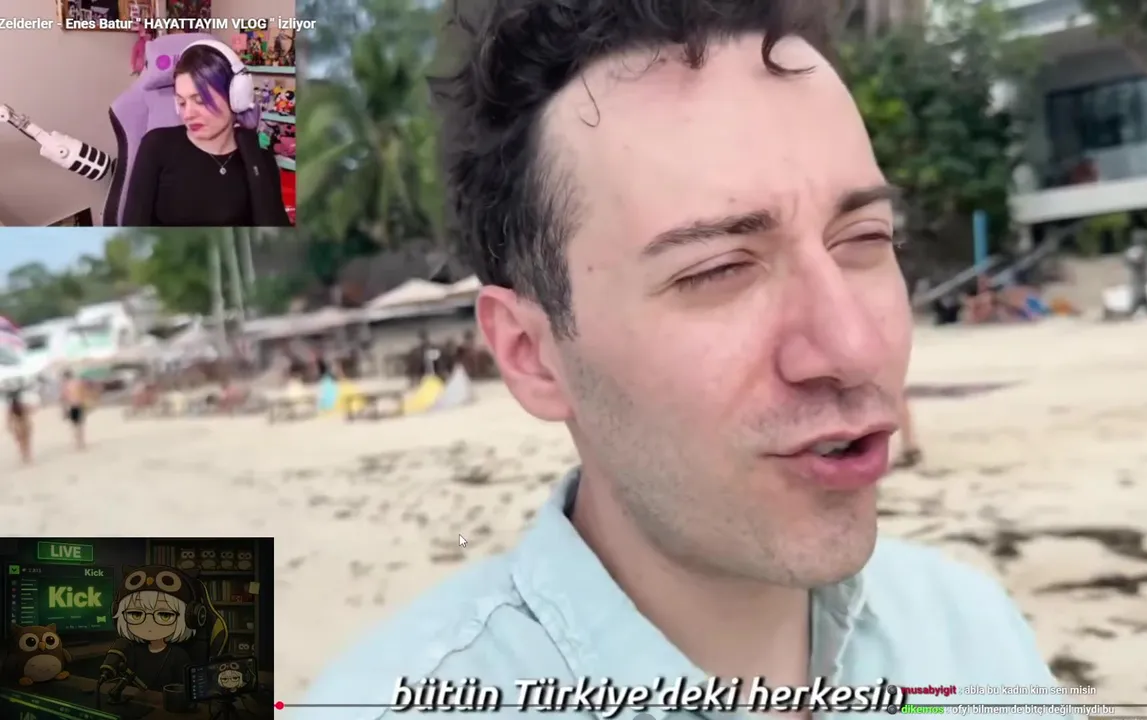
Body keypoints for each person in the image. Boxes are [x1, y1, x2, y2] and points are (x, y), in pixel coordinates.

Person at [304, 0, 1072, 715]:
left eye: (866, 239)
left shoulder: (973, 641)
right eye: (718, 270)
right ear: (532, 355)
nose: (854, 346)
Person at [121, 40, 291, 227]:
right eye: (182, 102)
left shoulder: (259, 160)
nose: (188, 114)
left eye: (200, 101)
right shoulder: (156, 146)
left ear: (236, 97)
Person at [59, 370, 86, 451]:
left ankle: (78, 443)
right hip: (79, 404)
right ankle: (81, 442)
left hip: (72, 406)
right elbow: (83, 394)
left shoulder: (65, 385)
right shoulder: (78, 383)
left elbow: (63, 398)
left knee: (75, 425)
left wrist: (63, 410)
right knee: (80, 424)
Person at [6, 390, 32, 465]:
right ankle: (28, 454)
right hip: (24, 423)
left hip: (17, 425)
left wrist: (9, 426)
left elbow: (9, 418)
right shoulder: (22, 405)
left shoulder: (11, 408)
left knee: (20, 441)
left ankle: (23, 455)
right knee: (26, 440)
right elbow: (29, 411)